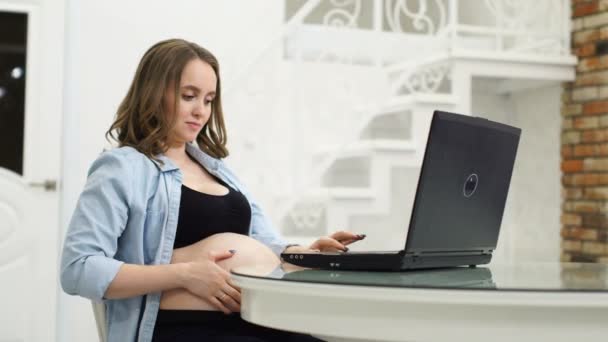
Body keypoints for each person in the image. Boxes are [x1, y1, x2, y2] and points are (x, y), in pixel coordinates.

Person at [60, 38, 365, 342]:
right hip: (181, 328)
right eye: (188, 96)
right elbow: (79, 269)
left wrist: (301, 253)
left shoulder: (217, 169)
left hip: (258, 318)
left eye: (208, 100)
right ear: (153, 93)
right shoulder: (123, 167)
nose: (201, 112)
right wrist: (186, 275)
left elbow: (262, 243)